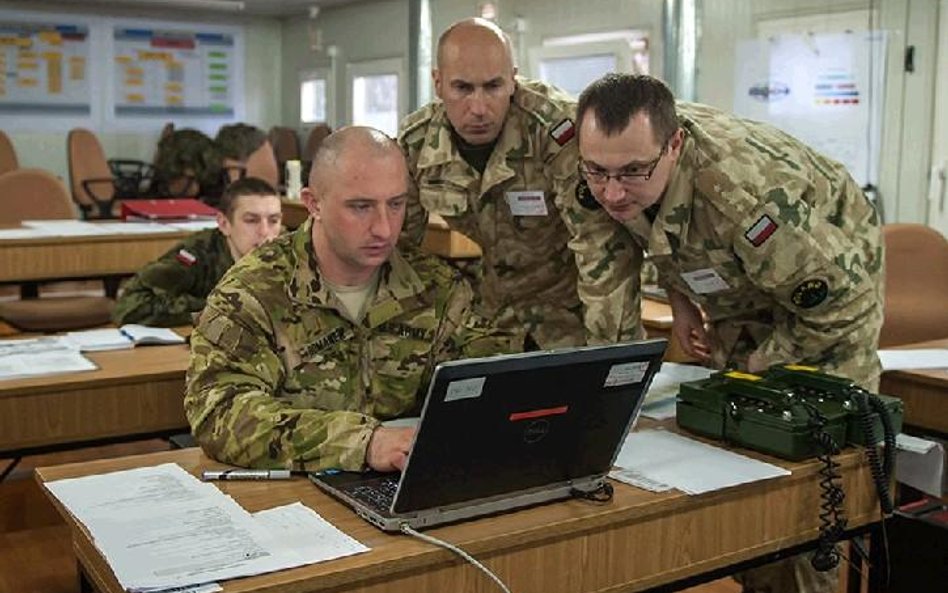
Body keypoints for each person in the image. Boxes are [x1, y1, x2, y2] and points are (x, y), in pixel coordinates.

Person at [575, 73, 883, 593]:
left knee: (813, 487)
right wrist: (677, 299)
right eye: (597, 172)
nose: (610, 191)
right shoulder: (606, 158)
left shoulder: (743, 198)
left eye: (631, 173)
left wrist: (753, 372)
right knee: (740, 473)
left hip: (829, 285)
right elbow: (626, 253)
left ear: (673, 145)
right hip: (746, 282)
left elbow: (845, 305)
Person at [184, 127, 522, 472]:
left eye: (396, 204)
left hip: (406, 482)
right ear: (313, 203)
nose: (384, 228)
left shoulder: (436, 287)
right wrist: (363, 443)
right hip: (297, 495)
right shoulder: (254, 290)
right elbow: (219, 413)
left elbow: (494, 376)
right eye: (361, 207)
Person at [399, 17, 641, 349]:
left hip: (571, 315)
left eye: (493, 86)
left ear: (513, 80)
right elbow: (401, 252)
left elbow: (601, 250)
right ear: (438, 83)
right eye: (462, 88)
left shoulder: (557, 132)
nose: (479, 108)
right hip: (488, 317)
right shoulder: (416, 144)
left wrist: (612, 361)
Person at [112, 177, 282, 327]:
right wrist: (216, 308)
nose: (265, 231)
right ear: (224, 224)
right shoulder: (198, 254)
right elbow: (128, 307)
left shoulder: (290, 252)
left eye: (274, 221)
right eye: (251, 220)